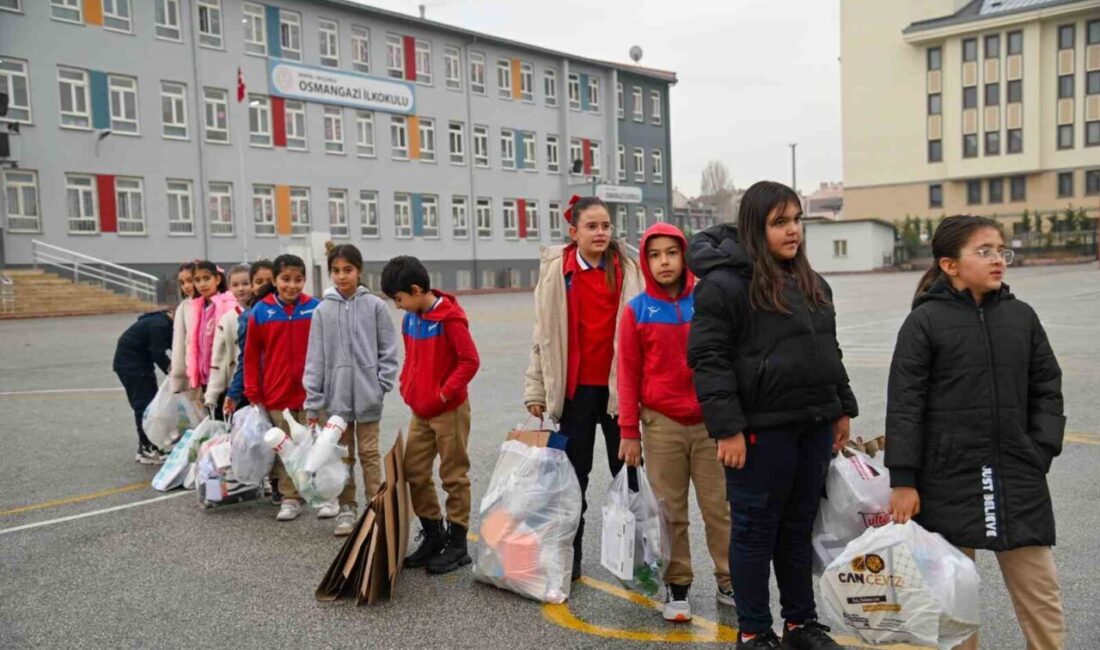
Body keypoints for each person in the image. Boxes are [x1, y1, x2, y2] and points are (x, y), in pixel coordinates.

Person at [687, 181, 857, 650]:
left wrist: (842, 407)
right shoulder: (723, 286)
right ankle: (754, 631)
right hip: (759, 433)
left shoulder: (812, 283)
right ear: (756, 227)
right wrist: (728, 429)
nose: (793, 231)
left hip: (814, 426)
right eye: (780, 222)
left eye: (797, 219)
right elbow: (709, 360)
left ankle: (800, 624)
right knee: (754, 534)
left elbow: (828, 351)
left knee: (798, 529)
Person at [886, 215, 1065, 650]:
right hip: (946, 478)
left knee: (1042, 597)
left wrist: (1038, 450)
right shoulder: (924, 323)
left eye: (1001, 250)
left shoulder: (1022, 317)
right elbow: (905, 405)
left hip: (1018, 476)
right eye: (983, 251)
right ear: (950, 264)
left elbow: (1048, 389)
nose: (998, 260)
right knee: (953, 604)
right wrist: (904, 480)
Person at [616, 222, 733, 622]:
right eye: (654, 254)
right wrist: (629, 431)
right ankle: (677, 585)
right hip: (661, 425)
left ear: (685, 256)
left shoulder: (708, 300)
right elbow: (628, 375)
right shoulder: (636, 311)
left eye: (671, 252)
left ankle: (729, 579)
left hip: (711, 424)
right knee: (670, 511)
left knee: (720, 508)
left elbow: (729, 360)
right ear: (645, 261)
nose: (663, 262)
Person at [524, 195, 644, 581]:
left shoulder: (627, 268)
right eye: (592, 226)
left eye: (606, 225)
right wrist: (537, 390)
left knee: (627, 478)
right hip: (575, 394)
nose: (601, 232)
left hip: (617, 394)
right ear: (573, 232)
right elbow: (542, 336)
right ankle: (568, 559)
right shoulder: (557, 272)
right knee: (573, 481)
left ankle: (635, 560)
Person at [381, 256, 480, 575]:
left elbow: (469, 361)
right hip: (420, 411)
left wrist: (442, 394)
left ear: (415, 289)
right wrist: (407, 386)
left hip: (449, 411)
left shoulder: (449, 319)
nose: (398, 306)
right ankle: (434, 535)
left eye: (399, 299)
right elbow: (411, 355)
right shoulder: (411, 317)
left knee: (453, 475)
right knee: (415, 471)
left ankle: (457, 544)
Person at [304, 243, 399, 536]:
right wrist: (314, 400)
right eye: (336, 271)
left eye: (348, 270)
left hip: (369, 397)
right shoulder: (322, 310)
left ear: (359, 271)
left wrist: (381, 383)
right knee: (343, 455)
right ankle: (347, 508)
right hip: (336, 401)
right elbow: (315, 358)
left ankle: (376, 508)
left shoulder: (375, 306)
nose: (342, 276)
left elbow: (389, 350)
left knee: (370, 454)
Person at [244, 254, 320, 521]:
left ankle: (319, 493)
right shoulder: (261, 311)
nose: (292, 285)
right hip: (277, 394)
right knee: (286, 450)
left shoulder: (315, 307)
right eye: (286, 279)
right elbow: (251, 356)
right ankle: (290, 497)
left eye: (298, 279)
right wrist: (253, 392)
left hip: (312, 393)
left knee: (315, 445)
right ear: (275, 280)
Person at [113, 308, 174, 463]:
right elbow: (158, 353)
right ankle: (147, 448)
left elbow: (176, 347)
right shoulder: (159, 325)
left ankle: (148, 445)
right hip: (132, 367)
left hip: (138, 365)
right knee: (144, 406)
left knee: (150, 406)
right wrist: (174, 373)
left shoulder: (160, 322)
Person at [223, 260, 274, 419]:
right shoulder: (248, 317)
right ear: (252, 286)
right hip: (265, 389)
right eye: (259, 282)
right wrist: (234, 392)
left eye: (270, 281)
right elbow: (246, 358)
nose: (266, 285)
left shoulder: (295, 310)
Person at [204, 264, 252, 413]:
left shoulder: (262, 313)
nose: (241, 289)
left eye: (246, 283)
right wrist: (212, 393)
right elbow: (218, 358)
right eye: (235, 285)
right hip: (237, 385)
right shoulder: (227, 319)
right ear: (229, 288)